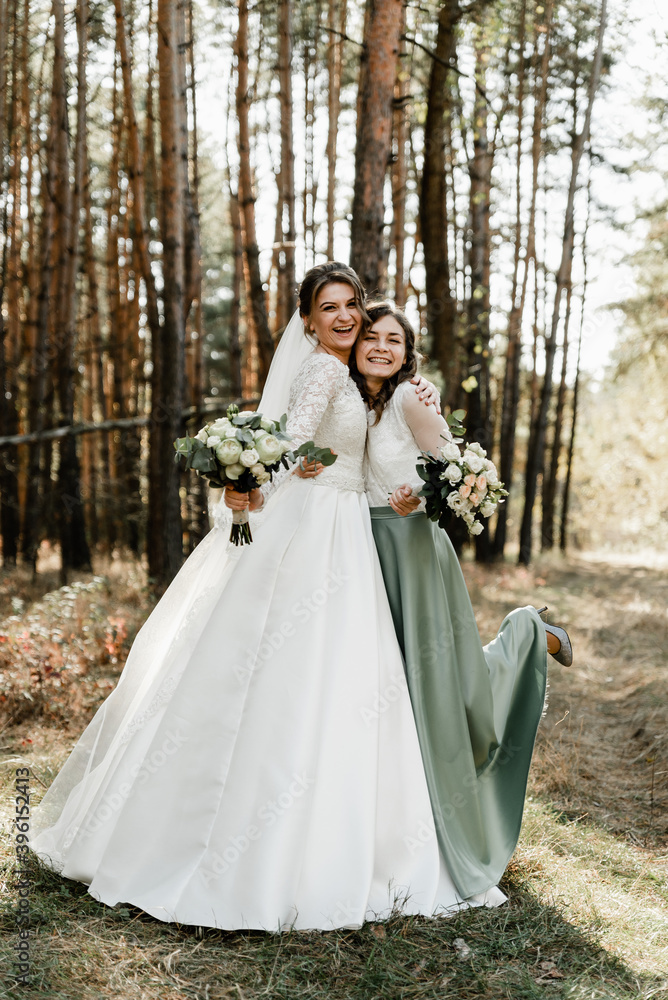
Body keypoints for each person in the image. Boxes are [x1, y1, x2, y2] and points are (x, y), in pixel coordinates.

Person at [31, 263, 505, 932]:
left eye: (351, 306)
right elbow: (286, 441)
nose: (343, 316)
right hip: (316, 529)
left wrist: (409, 396)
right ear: (308, 319)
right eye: (327, 306)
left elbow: (353, 442)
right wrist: (252, 483)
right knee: (297, 672)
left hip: (343, 532)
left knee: (332, 674)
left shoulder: (361, 380)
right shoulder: (320, 371)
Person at [346, 299, 572, 898]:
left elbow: (455, 468)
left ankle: (526, 632)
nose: (382, 348)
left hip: (411, 548)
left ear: (407, 353)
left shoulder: (408, 397)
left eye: (395, 341)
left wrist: (416, 497)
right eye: (373, 336)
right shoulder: (359, 398)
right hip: (366, 548)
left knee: (438, 682)